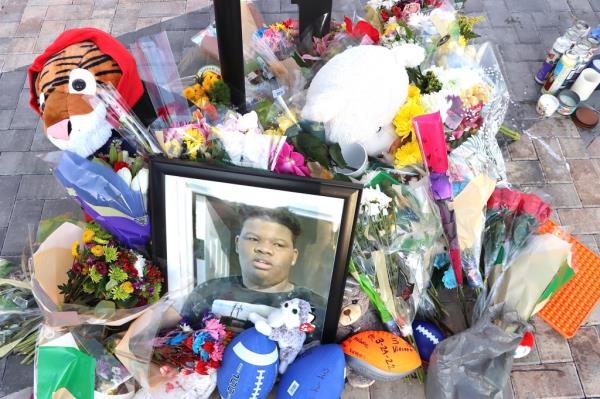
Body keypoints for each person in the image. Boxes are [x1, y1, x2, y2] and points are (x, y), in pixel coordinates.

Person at [181, 206, 326, 339]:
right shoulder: (208, 291)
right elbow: (179, 341)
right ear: (237, 244)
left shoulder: (315, 308)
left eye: (278, 244)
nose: (264, 249)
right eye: (253, 239)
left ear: (293, 256)